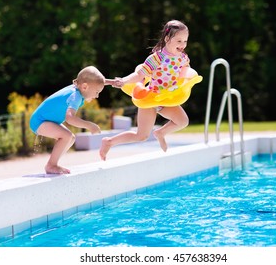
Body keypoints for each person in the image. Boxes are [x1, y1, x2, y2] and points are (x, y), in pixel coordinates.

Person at [100, 20, 198, 161]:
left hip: (167, 99)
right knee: (141, 136)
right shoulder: (157, 58)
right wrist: (124, 81)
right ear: (167, 39)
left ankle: (161, 133)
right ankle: (108, 142)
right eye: (179, 41)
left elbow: (184, 74)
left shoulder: (183, 58)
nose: (183, 45)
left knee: (183, 121)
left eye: (185, 41)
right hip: (151, 98)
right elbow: (140, 74)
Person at [30, 66, 116, 174]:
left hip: (44, 120)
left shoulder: (78, 86)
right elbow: (69, 118)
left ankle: (53, 163)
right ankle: (51, 165)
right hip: (40, 121)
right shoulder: (76, 97)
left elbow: (93, 81)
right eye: (97, 92)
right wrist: (90, 125)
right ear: (85, 87)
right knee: (67, 136)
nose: (97, 96)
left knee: (71, 138)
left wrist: (111, 82)